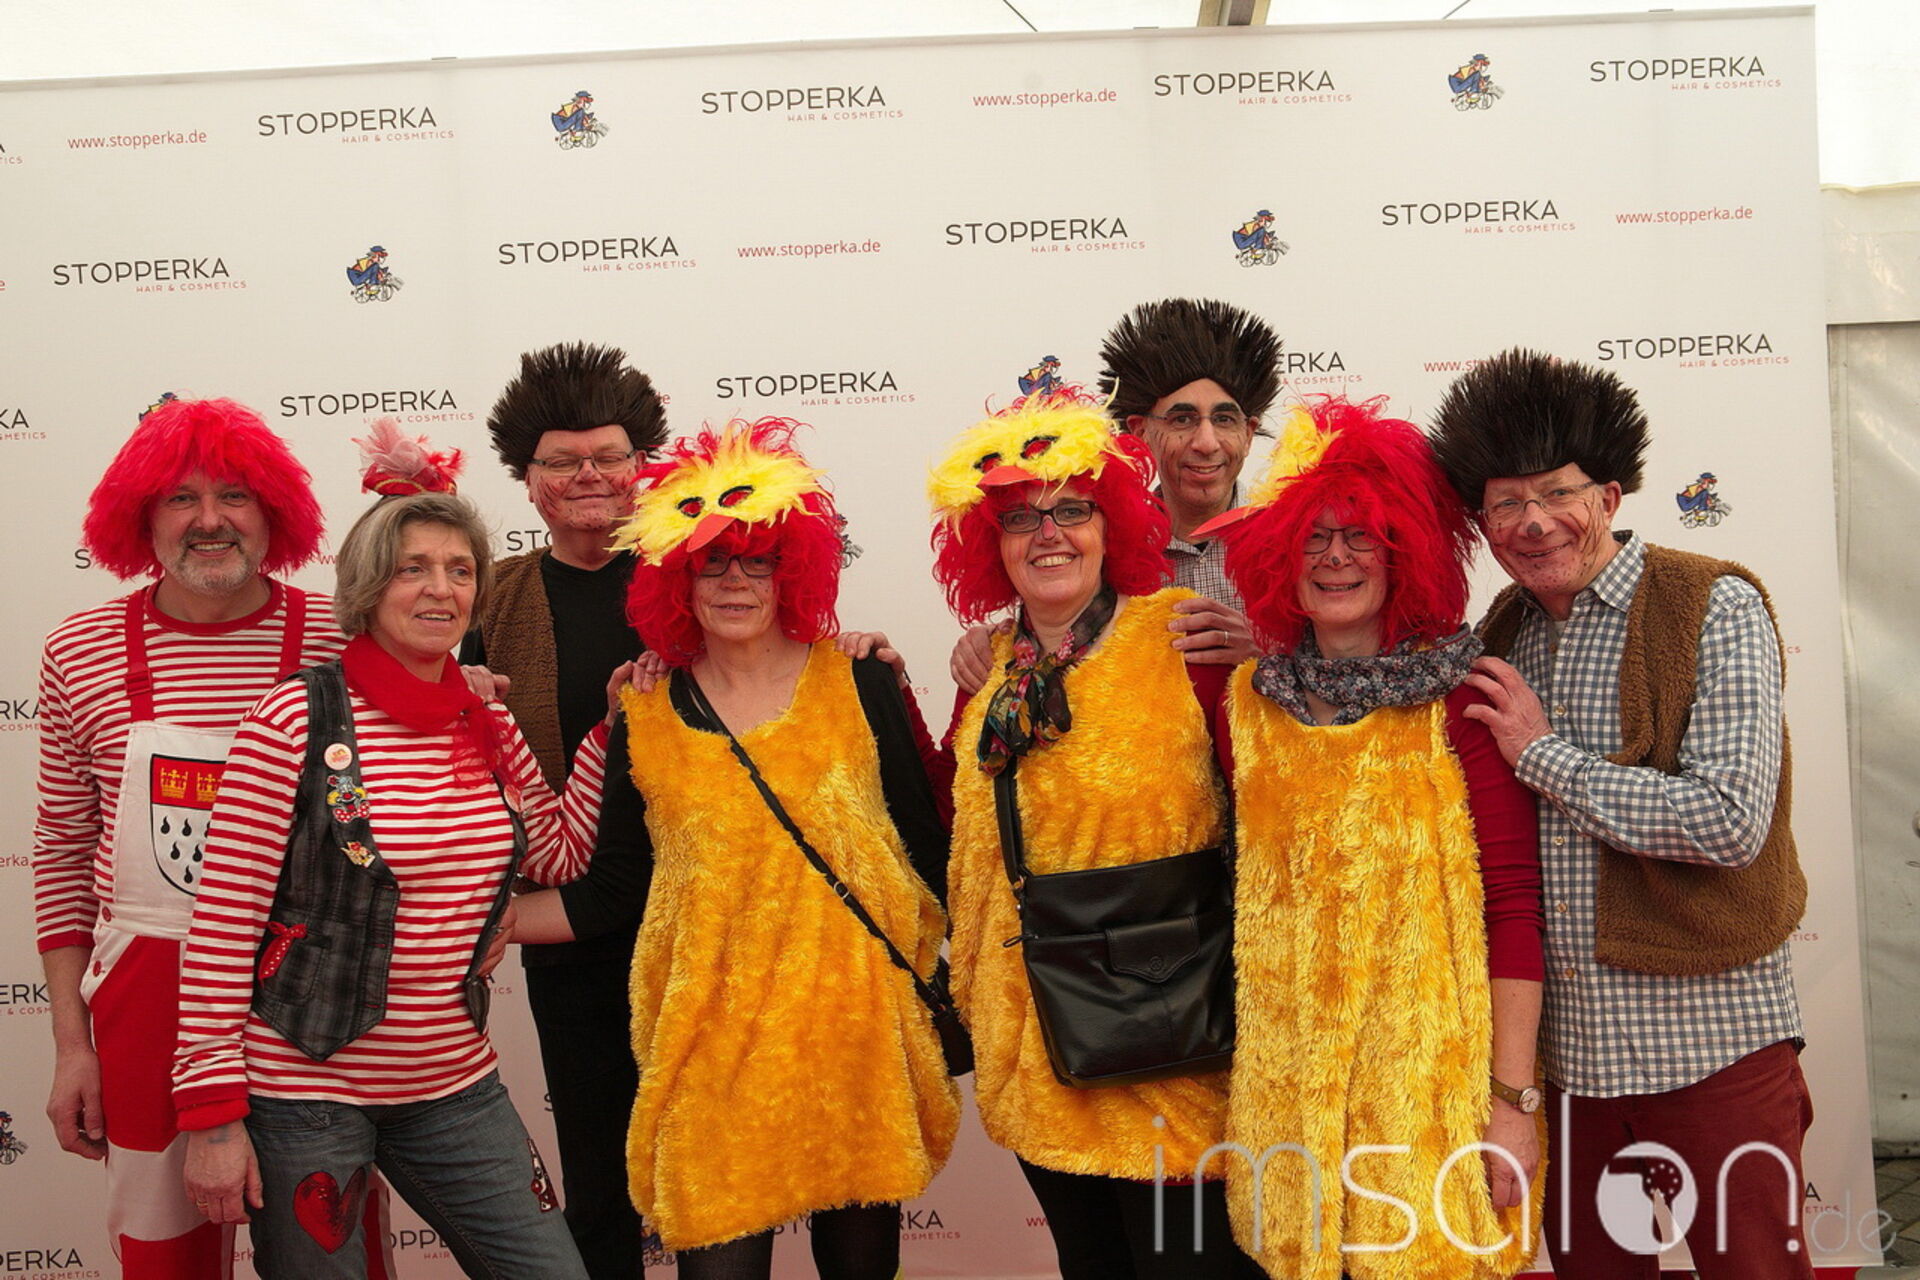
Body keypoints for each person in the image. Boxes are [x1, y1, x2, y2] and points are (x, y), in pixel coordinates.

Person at [171, 430, 611, 1279]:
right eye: (414, 568)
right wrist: (214, 1119)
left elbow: (557, 858)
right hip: (305, 1093)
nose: (441, 588)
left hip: (455, 1083)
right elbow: (222, 926)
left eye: (460, 569)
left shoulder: (487, 722)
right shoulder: (293, 719)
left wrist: (608, 733)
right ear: (371, 586)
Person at [1429, 349, 1813, 1278]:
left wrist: (1543, 756)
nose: (1533, 522)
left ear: (1607, 495)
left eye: (1556, 493)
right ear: (1483, 525)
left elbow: (1728, 820)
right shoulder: (1500, 633)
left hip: (1714, 1045)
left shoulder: (1713, 602)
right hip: (1566, 1072)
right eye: (1506, 504)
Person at [31, 396, 392, 1277]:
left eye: (234, 496)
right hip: (146, 1007)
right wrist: (74, 1048)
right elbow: (62, 855)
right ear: (139, 518)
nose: (209, 520)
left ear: (274, 514)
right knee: (165, 1259)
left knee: (330, 1249)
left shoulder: (346, 640)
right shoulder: (79, 649)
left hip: (314, 1000)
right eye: (180, 498)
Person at [1198, 397, 1544, 1278]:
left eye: (1362, 536)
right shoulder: (1249, 703)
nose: (1336, 557)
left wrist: (1512, 1103)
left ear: (1403, 553)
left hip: (1431, 1093)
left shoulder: (1462, 698)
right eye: (1313, 538)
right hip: (1287, 1096)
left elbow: (1513, 906)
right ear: (1280, 558)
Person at [605, 417, 958, 1278]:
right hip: (713, 1045)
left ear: (791, 568)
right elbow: (613, 886)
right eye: (711, 562)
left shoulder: (861, 679)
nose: (734, 580)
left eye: (757, 560)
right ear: (677, 578)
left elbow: (932, 849)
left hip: (854, 1037)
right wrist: (474, 920)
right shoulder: (642, 711)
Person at [928, 390, 1259, 1279]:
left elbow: (1275, 813)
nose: (1049, 535)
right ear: (992, 545)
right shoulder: (988, 672)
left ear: (1112, 526)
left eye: (1072, 510)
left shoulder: (1181, 637)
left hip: (1173, 1041)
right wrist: (867, 677)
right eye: (1020, 518)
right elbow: (950, 825)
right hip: (1039, 1046)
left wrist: (1266, 662)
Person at [462, 340, 666, 1278]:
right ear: (528, 479)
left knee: (723, 1160)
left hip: (707, 920)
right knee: (595, 1164)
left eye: (608, 456)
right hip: (570, 929)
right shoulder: (491, 597)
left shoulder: (703, 573)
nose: (589, 476)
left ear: (641, 465)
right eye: (562, 461)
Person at [949, 298, 1279, 692]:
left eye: (1224, 419)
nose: (1206, 443)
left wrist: (1270, 656)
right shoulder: (1098, 541)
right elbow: (1052, 634)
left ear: (1248, 433)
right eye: (1182, 419)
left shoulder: (1295, 544)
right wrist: (990, 645)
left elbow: (1338, 663)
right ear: (1140, 431)